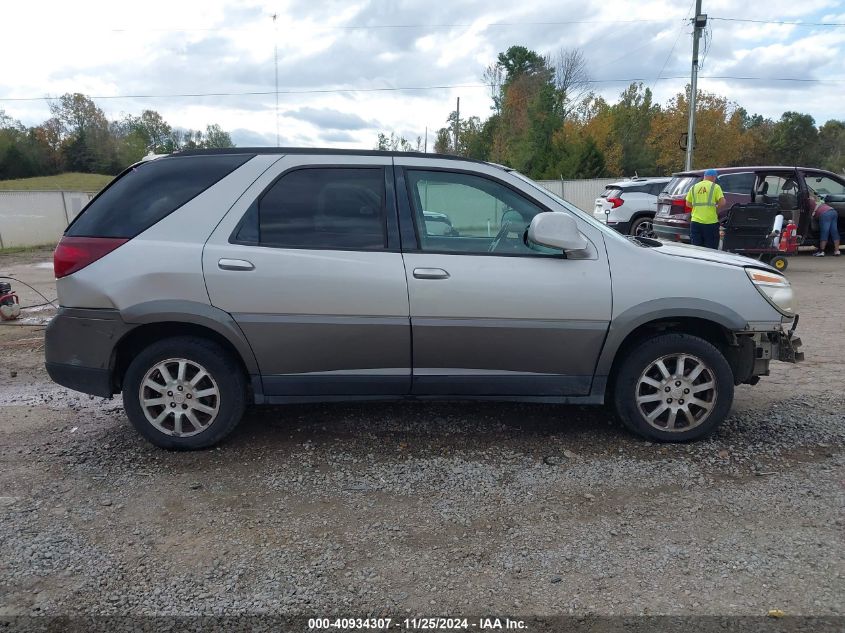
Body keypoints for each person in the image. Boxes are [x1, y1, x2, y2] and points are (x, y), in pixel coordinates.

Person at [685, 168, 726, 249]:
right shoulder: (715, 187)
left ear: (705, 177)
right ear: (713, 177)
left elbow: (688, 203)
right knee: (710, 249)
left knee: (697, 248)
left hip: (695, 222)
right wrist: (716, 208)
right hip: (710, 222)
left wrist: (698, 208)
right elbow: (722, 202)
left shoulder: (693, 187)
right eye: (715, 178)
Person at [808, 189, 841, 257]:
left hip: (825, 214)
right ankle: (837, 251)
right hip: (833, 211)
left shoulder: (808, 201)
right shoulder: (818, 199)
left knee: (824, 232)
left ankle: (821, 251)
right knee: (834, 231)